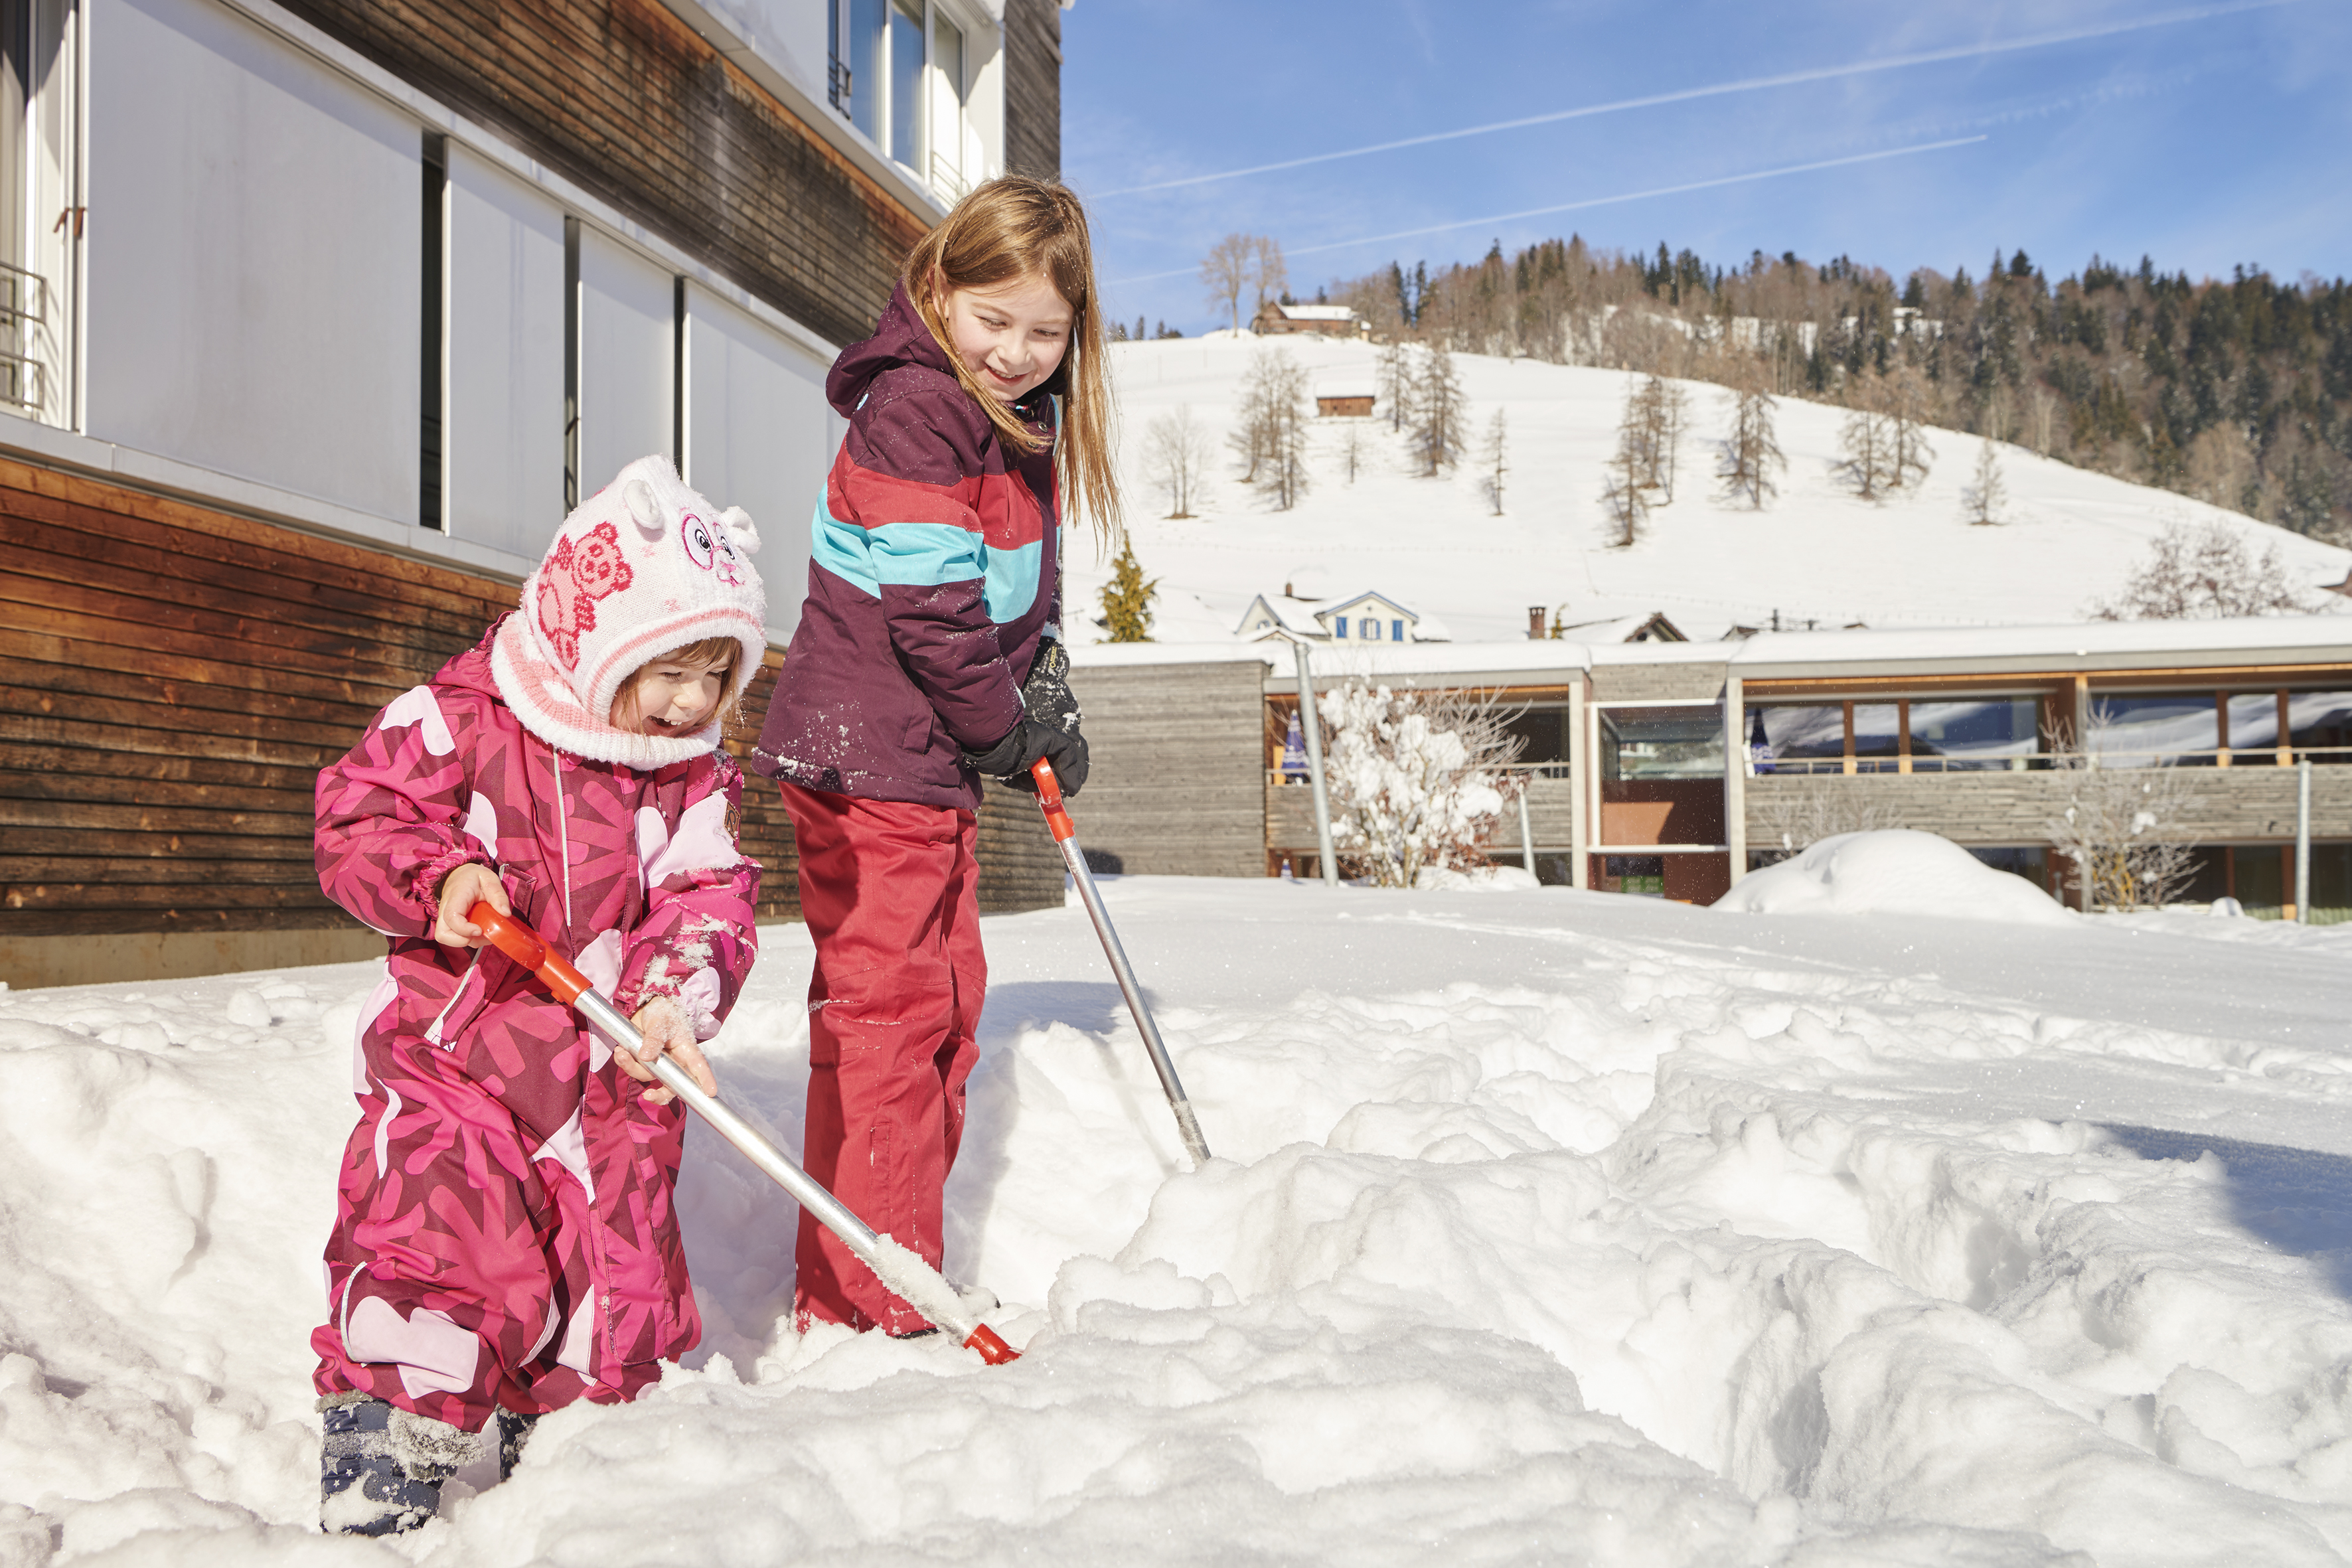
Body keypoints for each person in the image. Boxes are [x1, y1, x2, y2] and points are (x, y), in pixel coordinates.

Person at [309, 456, 767, 1535]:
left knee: (608, 1282)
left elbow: (709, 896)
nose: (695, 700)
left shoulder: (691, 774)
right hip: (465, 1054)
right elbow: (358, 818)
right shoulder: (466, 716)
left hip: (610, 1074)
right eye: (671, 670)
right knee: (442, 1238)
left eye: (718, 675)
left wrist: (671, 996)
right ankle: (389, 1442)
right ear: (596, 635)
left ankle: (571, 1454)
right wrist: (439, 881)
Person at [751, 174, 1119, 1337]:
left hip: (919, 756)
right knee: (895, 1020)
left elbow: (1016, 591)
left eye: (1045, 332)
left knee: (943, 1005)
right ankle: (873, 1299)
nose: (1015, 350)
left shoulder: (1018, 428)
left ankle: (867, 1278)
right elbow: (932, 608)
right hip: (872, 758)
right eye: (992, 317)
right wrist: (997, 719)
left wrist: (1042, 676)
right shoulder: (916, 407)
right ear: (939, 287)